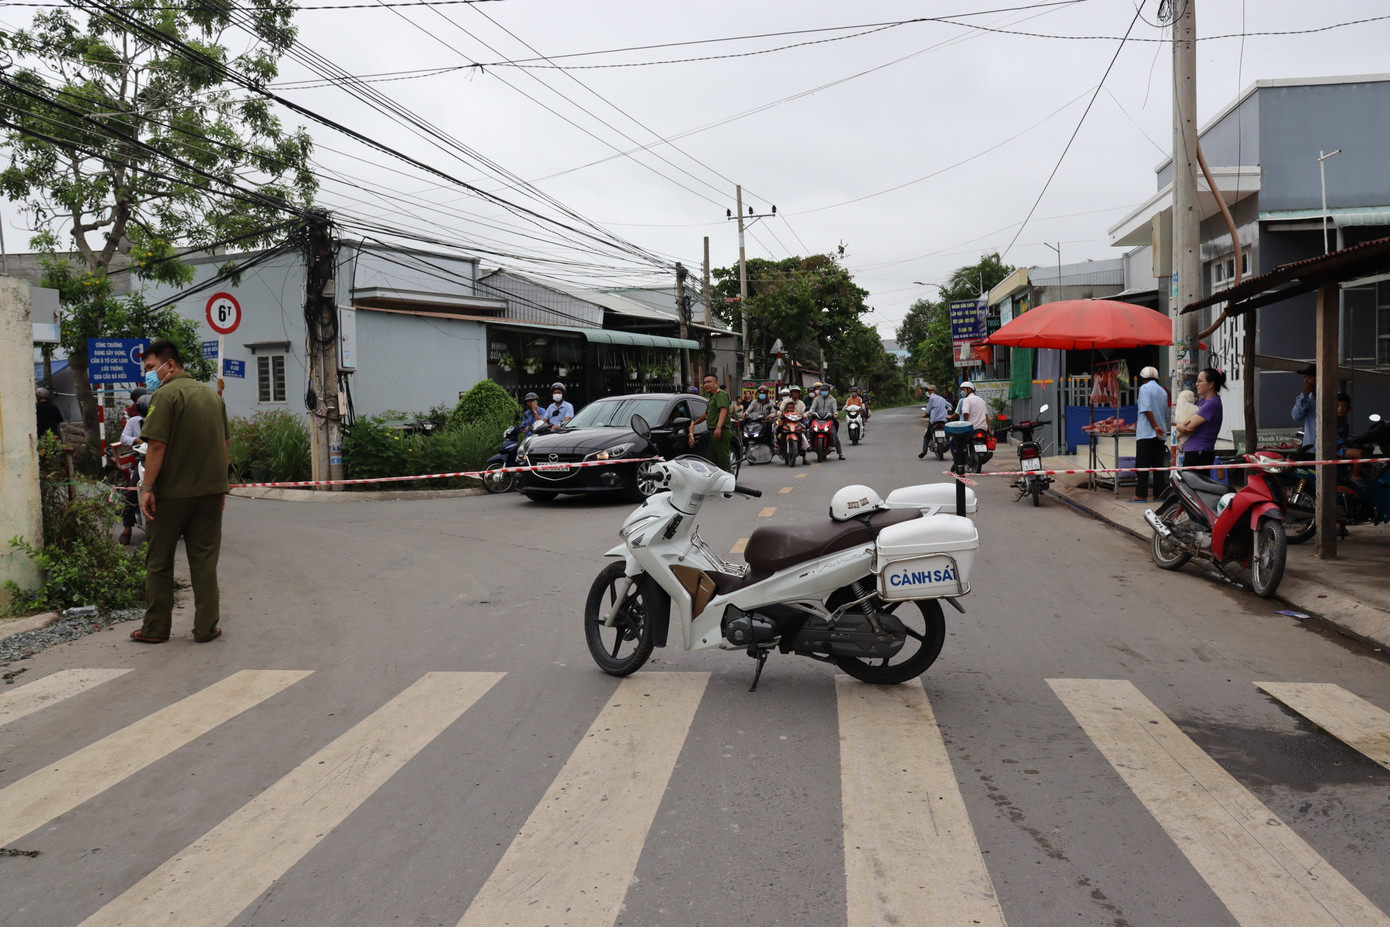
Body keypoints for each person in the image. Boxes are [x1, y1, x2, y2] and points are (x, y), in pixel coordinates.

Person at [132, 339, 230, 644]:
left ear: (169, 364)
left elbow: (156, 444)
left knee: (159, 561)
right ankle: (205, 628)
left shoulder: (164, 395)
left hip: (172, 495)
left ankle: (156, 628)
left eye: (150, 368)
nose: (148, 374)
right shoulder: (213, 397)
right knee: (204, 561)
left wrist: (147, 487)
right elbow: (225, 445)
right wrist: (221, 488)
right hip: (210, 493)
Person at [1130, 365, 1170, 503]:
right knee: (1158, 465)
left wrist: (1154, 426)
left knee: (1142, 465)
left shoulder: (1144, 389)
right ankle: (1159, 494)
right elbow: (1165, 414)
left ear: (1143, 378)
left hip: (1147, 432)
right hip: (1160, 434)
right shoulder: (1163, 392)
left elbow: (1146, 409)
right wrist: (1159, 427)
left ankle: (1141, 494)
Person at [1175, 367, 1225, 470]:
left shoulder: (1212, 404)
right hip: (1194, 451)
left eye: (1200, 381)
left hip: (1200, 452)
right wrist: (1179, 426)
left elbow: (1187, 428)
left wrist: (1179, 429)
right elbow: (1183, 425)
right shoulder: (1202, 402)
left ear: (1211, 384)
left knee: (1192, 484)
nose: (1197, 384)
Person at [117, 394, 150, 545]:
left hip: (161, 460)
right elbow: (124, 438)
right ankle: (127, 528)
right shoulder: (133, 422)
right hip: (141, 460)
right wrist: (135, 440)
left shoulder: (161, 421)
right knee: (131, 492)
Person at [688, 374, 732, 472]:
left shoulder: (721, 394)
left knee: (722, 461)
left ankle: (726, 484)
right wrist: (694, 423)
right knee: (712, 461)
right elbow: (706, 414)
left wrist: (718, 427)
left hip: (721, 432)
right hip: (713, 432)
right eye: (704, 382)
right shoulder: (713, 396)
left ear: (716, 383)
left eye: (709, 382)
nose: (706, 384)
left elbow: (723, 411)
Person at [808, 382, 844, 459]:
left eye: (825, 390)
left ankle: (840, 453)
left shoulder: (832, 400)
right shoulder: (817, 399)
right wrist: (810, 413)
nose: (824, 391)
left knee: (834, 434)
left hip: (829, 419)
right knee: (810, 430)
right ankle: (810, 444)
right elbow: (812, 408)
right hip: (817, 418)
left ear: (828, 391)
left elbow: (834, 409)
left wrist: (835, 414)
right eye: (822, 390)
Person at [918, 384, 951, 458]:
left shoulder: (931, 398)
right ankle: (949, 446)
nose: (929, 392)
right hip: (943, 420)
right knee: (947, 434)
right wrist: (946, 409)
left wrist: (925, 415)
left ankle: (924, 450)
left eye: (930, 390)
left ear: (934, 391)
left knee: (927, 436)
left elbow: (928, 411)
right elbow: (950, 406)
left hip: (934, 421)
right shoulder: (942, 399)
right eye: (928, 390)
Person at [1290, 363, 1318, 452]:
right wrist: (1304, 396)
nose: (1305, 381)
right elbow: (1296, 417)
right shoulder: (1306, 399)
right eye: (1305, 378)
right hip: (1310, 449)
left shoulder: (1331, 398)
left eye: (1309, 378)